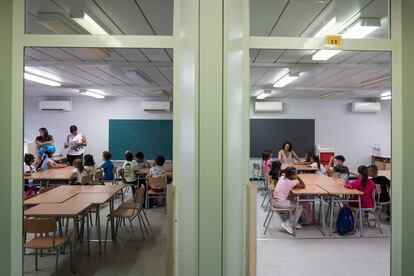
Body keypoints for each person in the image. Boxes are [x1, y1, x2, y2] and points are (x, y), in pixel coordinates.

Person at [272, 166, 305, 235]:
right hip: (280, 203)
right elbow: (303, 185)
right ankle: (289, 224)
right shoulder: (291, 182)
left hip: (274, 200)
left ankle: (293, 222)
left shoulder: (282, 177)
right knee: (299, 207)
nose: (297, 174)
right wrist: (298, 178)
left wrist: (295, 177)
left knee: (294, 202)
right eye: (296, 174)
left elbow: (285, 176)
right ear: (291, 175)